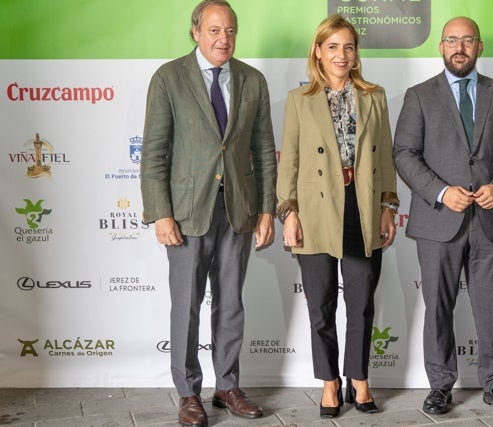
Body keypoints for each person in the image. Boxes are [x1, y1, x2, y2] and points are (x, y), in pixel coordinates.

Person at [140, 1, 277, 426]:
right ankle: (188, 392)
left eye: (231, 31)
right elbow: (154, 154)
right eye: (215, 30)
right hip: (185, 212)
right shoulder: (168, 78)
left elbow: (264, 154)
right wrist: (160, 213)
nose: (224, 39)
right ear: (195, 32)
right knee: (187, 304)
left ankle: (227, 385)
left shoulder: (252, 80)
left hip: (238, 209)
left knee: (231, 304)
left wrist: (267, 208)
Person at [393, 16, 493, 417]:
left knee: (492, 308)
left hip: (489, 219)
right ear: (440, 46)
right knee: (436, 307)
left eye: (467, 40)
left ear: (479, 47)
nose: (459, 47)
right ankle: (439, 386)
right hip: (439, 220)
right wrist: (441, 191)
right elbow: (404, 153)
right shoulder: (419, 96)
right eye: (451, 40)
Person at [275, 14, 399, 419]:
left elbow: (384, 158)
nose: (341, 55)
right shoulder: (300, 100)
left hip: (361, 209)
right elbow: (289, 162)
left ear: (356, 53)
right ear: (318, 51)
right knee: (320, 305)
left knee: (361, 303)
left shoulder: (374, 96)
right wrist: (288, 213)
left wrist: (388, 206)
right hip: (313, 212)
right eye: (332, 47)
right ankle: (330, 382)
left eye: (348, 47)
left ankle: (359, 380)